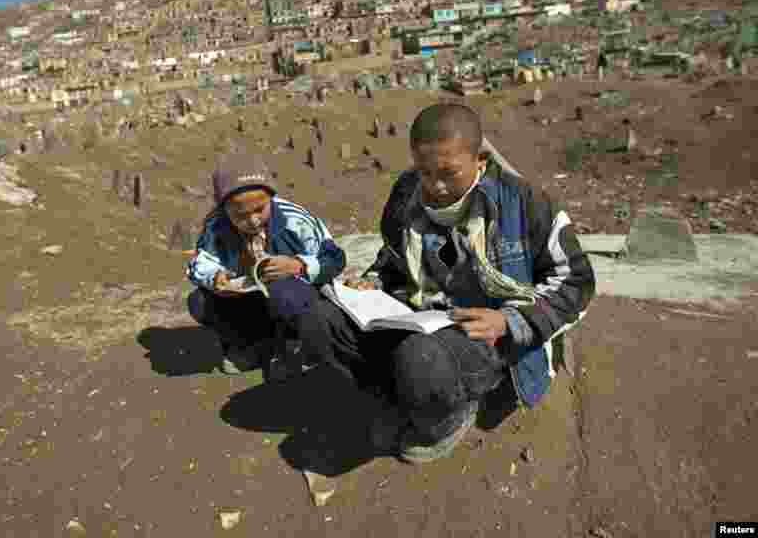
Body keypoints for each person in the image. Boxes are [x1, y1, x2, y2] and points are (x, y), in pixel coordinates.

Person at [300, 103, 595, 462]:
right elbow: (394, 256)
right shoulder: (408, 195)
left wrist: (508, 321)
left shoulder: (524, 202)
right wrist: (373, 281)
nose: (436, 187)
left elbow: (575, 281)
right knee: (320, 318)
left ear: (480, 159)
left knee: (420, 359)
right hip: (420, 317)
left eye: (448, 173)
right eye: (424, 172)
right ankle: (391, 395)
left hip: (488, 333)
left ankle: (444, 419)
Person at [186, 151, 346, 379]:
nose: (252, 220)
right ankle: (252, 345)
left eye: (259, 210)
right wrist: (214, 277)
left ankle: (298, 346)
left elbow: (334, 258)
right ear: (224, 209)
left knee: (285, 292)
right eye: (240, 215)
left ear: (271, 197)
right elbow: (199, 263)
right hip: (250, 301)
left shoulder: (296, 219)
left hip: (297, 300)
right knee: (199, 301)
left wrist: (299, 265)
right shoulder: (215, 226)